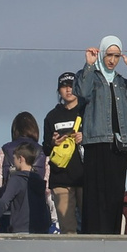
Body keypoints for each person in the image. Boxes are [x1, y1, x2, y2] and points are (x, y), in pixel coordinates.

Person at [71, 37, 127, 235]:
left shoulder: (120, 81)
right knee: (95, 192)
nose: (112, 60)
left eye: (116, 56)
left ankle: (111, 234)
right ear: (102, 53)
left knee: (115, 192)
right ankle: (93, 234)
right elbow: (82, 92)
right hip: (96, 140)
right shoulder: (91, 77)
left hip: (119, 143)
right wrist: (89, 64)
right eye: (109, 55)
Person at [0, 112, 50, 235]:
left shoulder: (4, 150)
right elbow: (48, 187)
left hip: (8, 214)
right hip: (36, 215)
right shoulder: (44, 152)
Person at [42, 73, 84, 234]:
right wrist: (53, 143)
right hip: (60, 177)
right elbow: (45, 149)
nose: (68, 90)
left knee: (90, 226)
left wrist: (84, 137)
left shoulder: (87, 111)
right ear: (58, 90)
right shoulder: (52, 116)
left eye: (72, 86)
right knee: (68, 229)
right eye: (64, 86)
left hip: (85, 176)